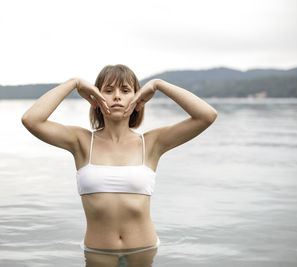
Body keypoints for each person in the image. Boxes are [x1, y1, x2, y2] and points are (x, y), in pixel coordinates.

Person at [21, 64, 217, 266]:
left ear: (138, 99)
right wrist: (74, 83)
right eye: (108, 90)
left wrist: (158, 85)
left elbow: (207, 116)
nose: (116, 96)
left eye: (125, 91)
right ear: (95, 97)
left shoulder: (150, 143)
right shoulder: (81, 141)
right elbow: (31, 120)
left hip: (144, 250)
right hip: (98, 253)